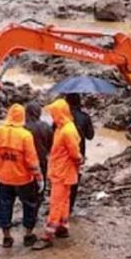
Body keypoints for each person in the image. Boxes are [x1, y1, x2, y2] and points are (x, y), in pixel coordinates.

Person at [0, 103, 44, 249]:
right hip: (23, 179)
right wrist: (39, 178)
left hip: (4, 178)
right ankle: (28, 235)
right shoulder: (25, 136)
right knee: (29, 205)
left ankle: (7, 237)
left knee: (4, 205)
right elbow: (32, 161)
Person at [34, 98, 82, 250]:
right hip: (61, 170)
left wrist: (79, 161)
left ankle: (48, 234)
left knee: (56, 202)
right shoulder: (63, 128)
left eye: (54, 114)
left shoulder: (67, 131)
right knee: (64, 201)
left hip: (62, 172)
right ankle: (62, 226)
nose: (52, 117)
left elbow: (75, 154)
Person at [64, 94, 94, 212]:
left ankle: (61, 204)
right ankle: (70, 206)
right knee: (74, 180)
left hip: (62, 154)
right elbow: (90, 136)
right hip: (78, 154)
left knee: (61, 180)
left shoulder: (62, 117)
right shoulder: (84, 117)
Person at [24, 102, 53, 183]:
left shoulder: (23, 128)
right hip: (42, 158)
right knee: (41, 183)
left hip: (26, 161)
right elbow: (51, 145)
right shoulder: (46, 126)